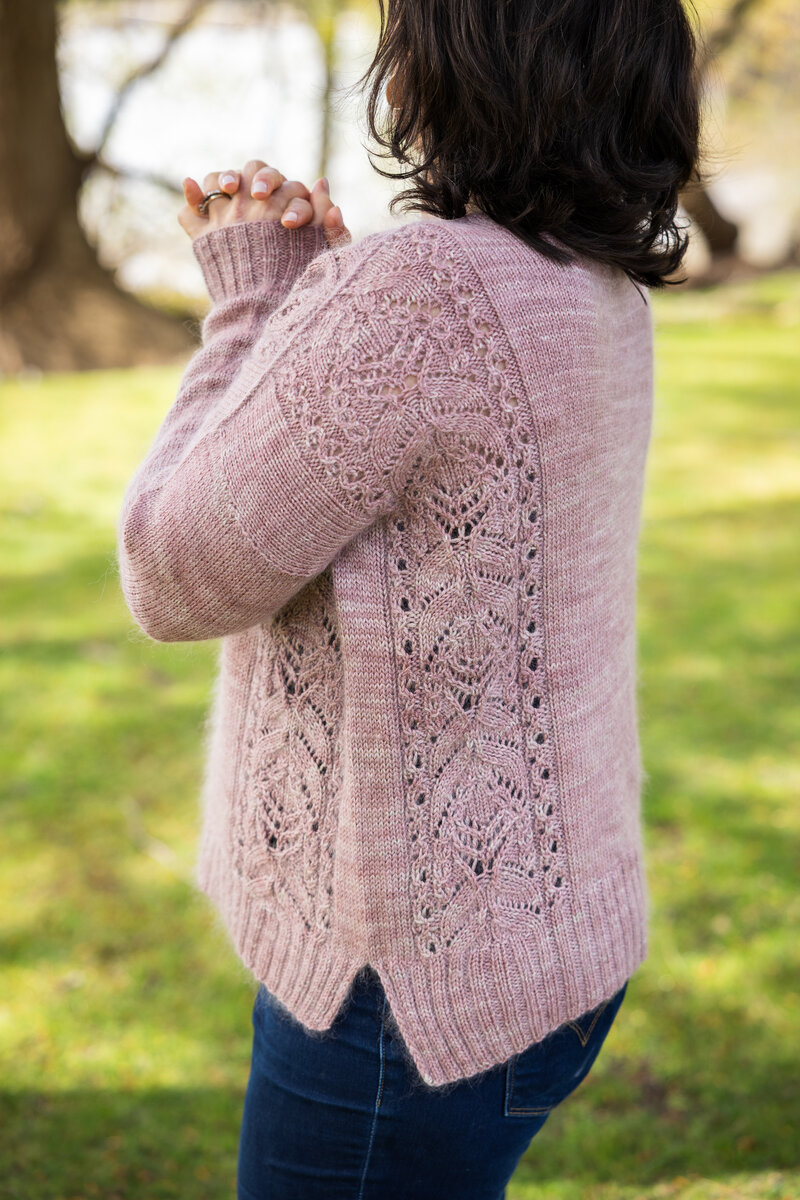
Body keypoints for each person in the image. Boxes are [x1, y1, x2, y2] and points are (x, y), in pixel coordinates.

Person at [116, 1, 703, 1196]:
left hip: (404, 997)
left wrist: (245, 303)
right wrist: (306, 316)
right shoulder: (591, 286)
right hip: (551, 945)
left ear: (452, 57)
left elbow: (170, 573)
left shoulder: (415, 292)